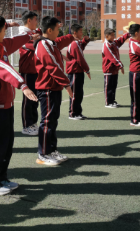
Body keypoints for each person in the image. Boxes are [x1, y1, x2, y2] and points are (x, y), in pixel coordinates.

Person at [0, 15, 38, 195]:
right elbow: (5, 68)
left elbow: (14, 41)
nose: (6, 33)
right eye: (4, 30)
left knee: (7, 142)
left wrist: (29, 36)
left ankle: (2, 177)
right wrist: (23, 85)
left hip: (7, 103)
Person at [34, 16, 74, 165]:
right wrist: (67, 83)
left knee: (53, 121)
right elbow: (52, 66)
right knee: (47, 121)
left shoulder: (51, 43)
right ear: (49, 30)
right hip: (47, 88)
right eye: (57, 29)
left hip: (54, 87)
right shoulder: (43, 44)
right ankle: (43, 153)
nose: (59, 32)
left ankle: (51, 150)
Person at [18, 11, 42, 135]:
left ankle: (32, 123)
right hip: (27, 71)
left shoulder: (33, 33)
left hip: (35, 70)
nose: (37, 22)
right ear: (29, 20)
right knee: (28, 99)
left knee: (35, 99)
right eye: (35, 19)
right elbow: (34, 45)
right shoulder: (23, 33)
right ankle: (26, 125)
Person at [66, 24, 91, 120]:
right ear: (75, 32)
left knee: (79, 93)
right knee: (75, 93)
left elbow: (81, 48)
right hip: (74, 72)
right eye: (80, 31)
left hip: (78, 71)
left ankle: (78, 112)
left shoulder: (77, 42)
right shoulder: (74, 43)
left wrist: (85, 41)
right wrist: (87, 69)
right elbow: (80, 58)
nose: (82, 33)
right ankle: (72, 113)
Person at [102, 27, 129, 108]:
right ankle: (108, 102)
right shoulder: (106, 45)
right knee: (108, 86)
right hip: (108, 69)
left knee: (113, 86)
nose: (114, 36)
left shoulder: (114, 43)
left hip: (114, 69)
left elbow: (121, 40)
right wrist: (120, 65)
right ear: (107, 36)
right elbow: (112, 57)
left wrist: (128, 34)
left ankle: (112, 100)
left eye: (114, 34)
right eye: (112, 35)